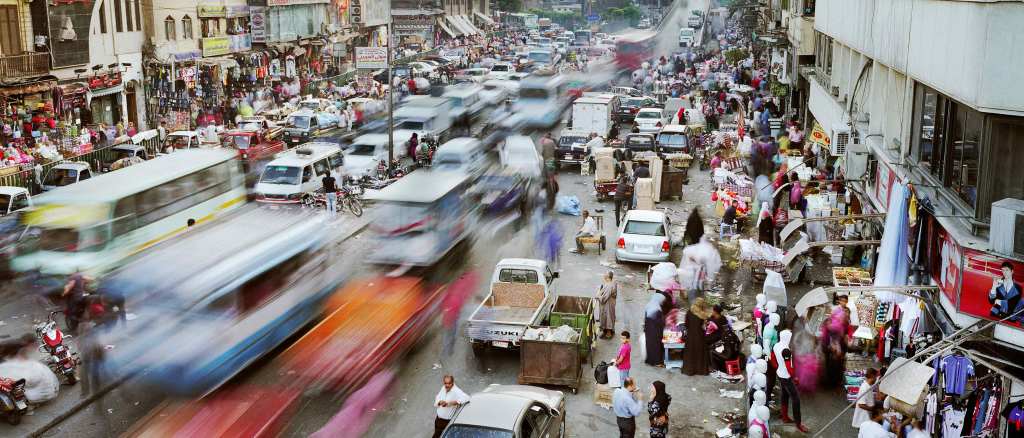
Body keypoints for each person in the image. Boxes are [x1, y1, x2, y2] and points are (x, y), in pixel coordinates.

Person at [682, 298, 712, 376]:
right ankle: (700, 370)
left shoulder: (689, 311)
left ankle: (690, 370)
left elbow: (686, 324)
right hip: (700, 336)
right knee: (700, 353)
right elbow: (705, 326)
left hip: (690, 336)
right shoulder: (703, 315)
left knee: (691, 353)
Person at [643, 294, 666, 367]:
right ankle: (657, 362)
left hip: (648, 329)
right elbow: (659, 321)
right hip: (655, 330)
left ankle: (650, 360)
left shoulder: (649, 305)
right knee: (656, 345)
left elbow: (645, 318)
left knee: (650, 344)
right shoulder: (657, 309)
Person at [596, 272, 618, 339]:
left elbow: (604, 298)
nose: (604, 275)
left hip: (607, 305)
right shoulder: (612, 283)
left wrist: (598, 296)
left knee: (608, 318)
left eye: (605, 274)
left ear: (608, 277)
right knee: (609, 317)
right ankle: (606, 331)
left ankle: (609, 333)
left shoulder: (609, 286)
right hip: (610, 304)